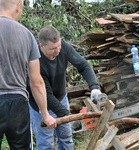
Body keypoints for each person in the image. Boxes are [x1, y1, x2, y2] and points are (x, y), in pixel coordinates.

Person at [28, 26, 103, 150]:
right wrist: (66, 115)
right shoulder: (34, 59)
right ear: (41, 46)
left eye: (59, 46)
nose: (57, 51)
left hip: (61, 97)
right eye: (53, 48)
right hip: (41, 104)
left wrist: (94, 87)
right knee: (46, 144)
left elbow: (83, 65)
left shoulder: (63, 47)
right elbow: (46, 95)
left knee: (66, 139)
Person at [0, 0, 57, 149]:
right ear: (18, 5)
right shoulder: (27, 35)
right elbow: (36, 82)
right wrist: (45, 114)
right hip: (18, 104)